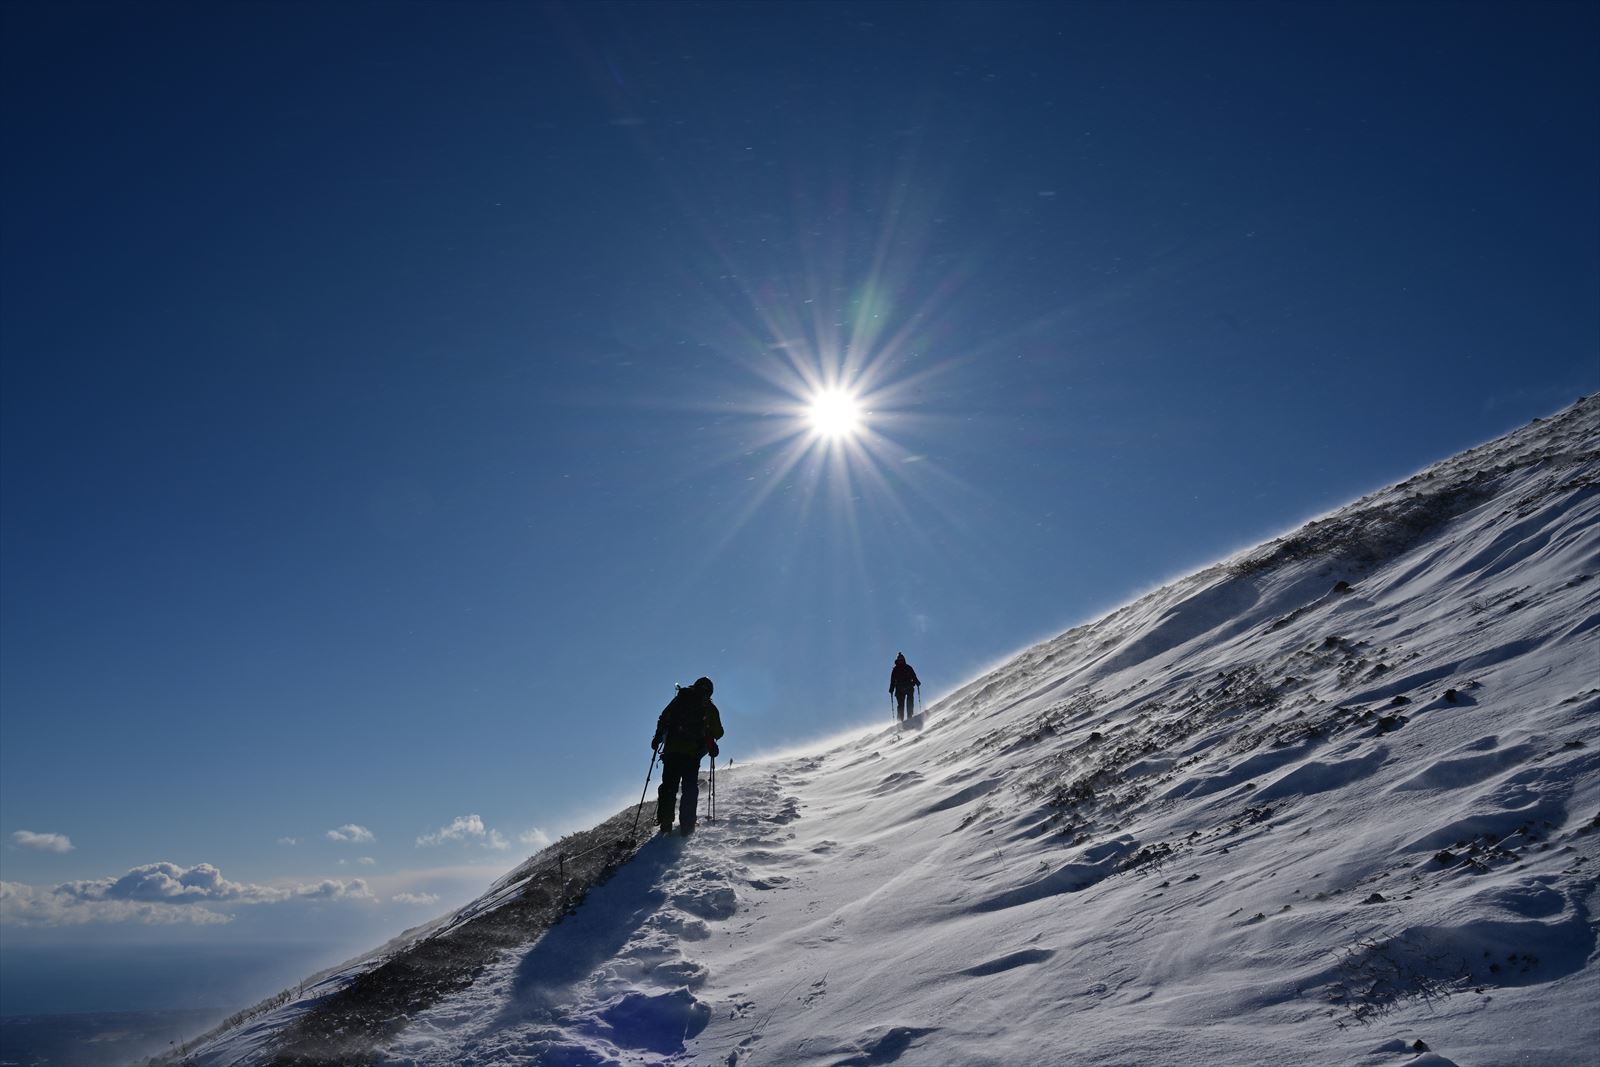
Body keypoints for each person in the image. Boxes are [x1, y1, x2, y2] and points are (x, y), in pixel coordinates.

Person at [651, 676, 724, 835]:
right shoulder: (708, 707)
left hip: (671, 752)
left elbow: (663, 719)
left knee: (668, 786)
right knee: (689, 789)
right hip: (692, 754)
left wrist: (657, 738)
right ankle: (687, 825)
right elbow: (719, 732)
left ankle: (665, 823)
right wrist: (710, 740)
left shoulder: (680, 699)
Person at [889, 652, 920, 722]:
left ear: (903, 660)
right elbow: (892, 681)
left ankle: (909, 716)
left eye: (901, 660)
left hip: (908, 687)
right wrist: (891, 689)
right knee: (901, 705)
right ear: (897, 661)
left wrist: (917, 682)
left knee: (909, 702)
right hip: (900, 690)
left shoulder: (907, 668)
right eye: (899, 660)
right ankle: (900, 720)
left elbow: (913, 676)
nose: (900, 661)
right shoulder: (895, 670)